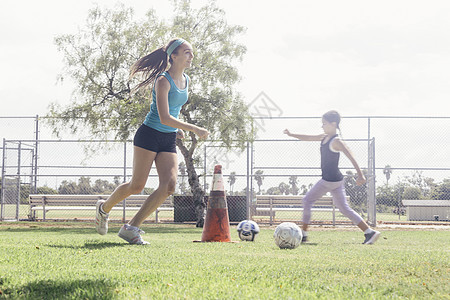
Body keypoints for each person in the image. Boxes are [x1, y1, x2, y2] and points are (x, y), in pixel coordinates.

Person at [95, 38, 209, 244]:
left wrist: (175, 131)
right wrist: (193, 128)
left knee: (169, 185)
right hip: (148, 134)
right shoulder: (163, 80)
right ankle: (104, 208)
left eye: (191, 52)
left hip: (167, 138)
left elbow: (173, 111)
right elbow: (164, 117)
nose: (191, 56)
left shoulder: (186, 80)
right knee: (137, 186)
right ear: (173, 56)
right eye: (186, 52)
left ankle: (131, 228)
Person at [283, 110, 380, 244]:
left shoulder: (336, 141)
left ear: (333, 124)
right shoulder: (324, 137)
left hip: (329, 180)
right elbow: (308, 137)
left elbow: (350, 155)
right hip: (336, 181)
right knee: (344, 209)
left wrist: (360, 174)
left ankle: (303, 235)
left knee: (307, 200)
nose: (322, 126)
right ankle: (370, 232)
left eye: (324, 123)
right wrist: (292, 134)